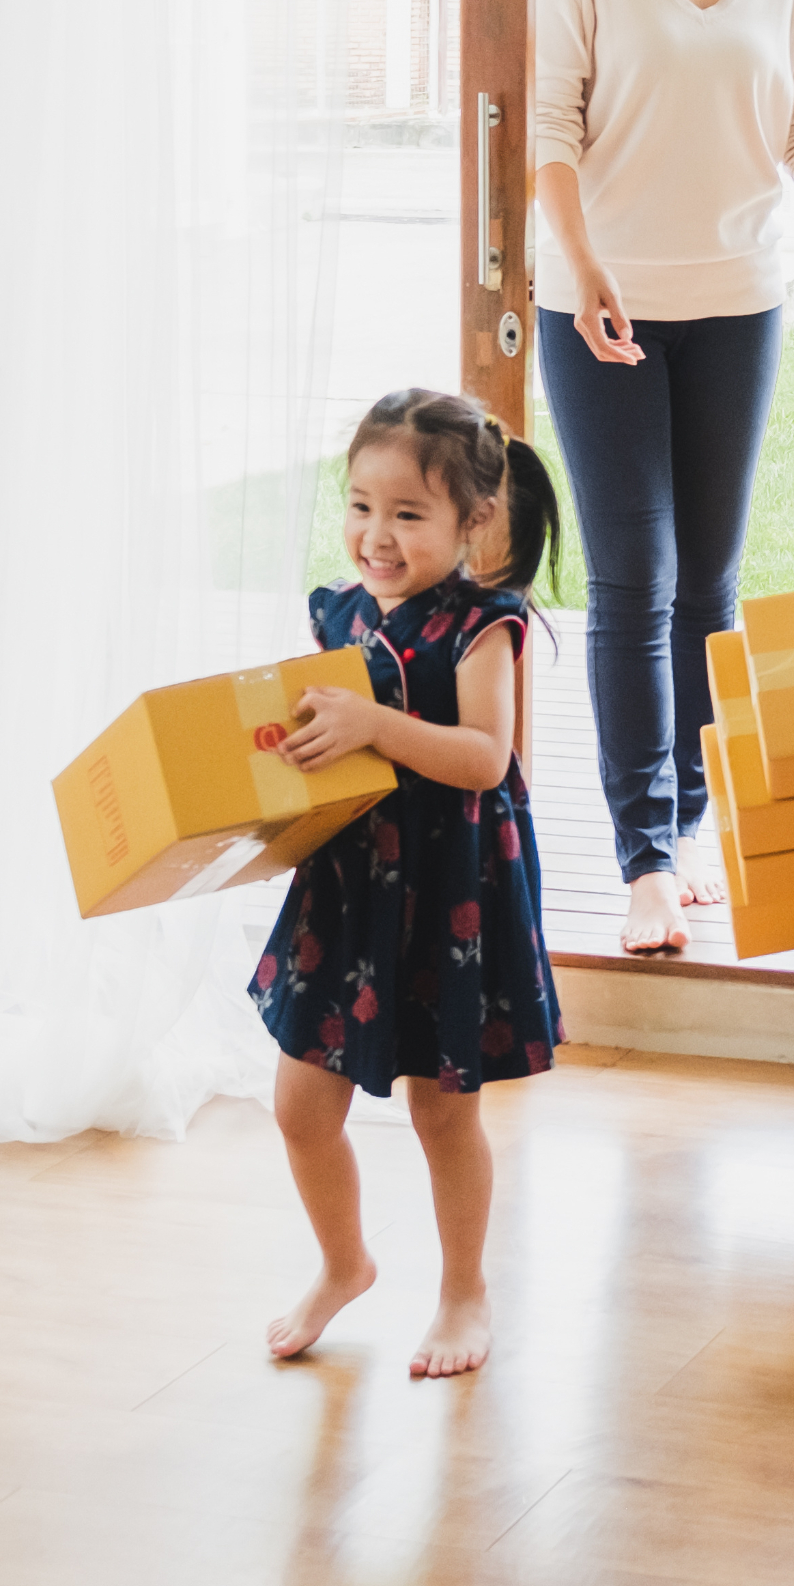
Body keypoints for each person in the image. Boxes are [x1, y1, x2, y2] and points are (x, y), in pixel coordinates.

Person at [531, 0, 794, 956]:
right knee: (634, 578)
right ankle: (644, 857)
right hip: (601, 302)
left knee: (711, 580)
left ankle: (693, 813)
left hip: (737, 293)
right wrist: (586, 263)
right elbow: (551, 127)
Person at [253, 388, 564, 1380]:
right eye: (358, 505)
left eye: (406, 514)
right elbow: (311, 735)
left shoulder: (484, 626)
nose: (374, 535)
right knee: (300, 1103)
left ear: (471, 521)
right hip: (348, 888)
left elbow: (486, 757)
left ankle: (465, 1290)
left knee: (442, 1108)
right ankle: (345, 1262)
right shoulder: (335, 612)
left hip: (449, 893)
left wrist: (375, 725)